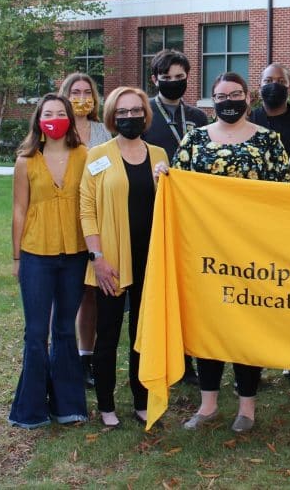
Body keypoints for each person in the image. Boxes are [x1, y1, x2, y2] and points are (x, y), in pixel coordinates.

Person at [166, 72, 290, 433]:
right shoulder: (195, 139)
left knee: (246, 325)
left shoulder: (268, 141)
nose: (228, 101)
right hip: (205, 249)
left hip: (252, 249)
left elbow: (283, 192)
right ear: (212, 99)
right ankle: (208, 404)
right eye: (221, 95)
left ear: (247, 98)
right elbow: (177, 183)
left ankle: (247, 407)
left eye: (235, 94)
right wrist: (164, 175)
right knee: (209, 325)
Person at [80, 86, 170, 428]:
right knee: (108, 333)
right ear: (112, 116)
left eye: (136, 111)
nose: (130, 117)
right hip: (112, 261)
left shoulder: (160, 154)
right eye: (123, 112)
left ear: (145, 114)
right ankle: (106, 404)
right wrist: (97, 258)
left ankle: (142, 399)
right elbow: (86, 209)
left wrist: (168, 181)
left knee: (142, 335)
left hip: (151, 258)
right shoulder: (98, 155)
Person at [8, 94, 89, 429]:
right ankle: (30, 409)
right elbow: (19, 209)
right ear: (38, 119)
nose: (54, 118)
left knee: (65, 330)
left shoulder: (84, 155)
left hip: (74, 253)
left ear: (69, 118)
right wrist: (16, 257)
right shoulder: (26, 160)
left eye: (60, 113)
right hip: (36, 254)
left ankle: (68, 405)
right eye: (48, 113)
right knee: (36, 331)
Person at [138, 49, 205, 384]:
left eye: (181, 78)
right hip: (153, 211)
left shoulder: (198, 116)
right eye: (168, 78)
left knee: (189, 288)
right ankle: (153, 357)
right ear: (155, 79)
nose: (175, 83)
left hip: (190, 215)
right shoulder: (145, 114)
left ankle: (188, 360)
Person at [59, 72, 111, 389]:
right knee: (66, 291)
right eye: (75, 92)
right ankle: (61, 357)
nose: (81, 97)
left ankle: (85, 356)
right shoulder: (55, 131)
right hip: (64, 219)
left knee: (90, 292)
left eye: (86, 92)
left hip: (96, 219)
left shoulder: (103, 131)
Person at [141, 49, 209, 160]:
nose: (173, 81)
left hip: (186, 177)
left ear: (187, 76)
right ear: (155, 80)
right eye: (166, 77)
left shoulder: (199, 117)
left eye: (179, 77)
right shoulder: (141, 112)